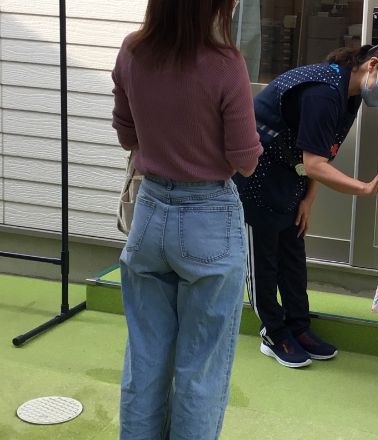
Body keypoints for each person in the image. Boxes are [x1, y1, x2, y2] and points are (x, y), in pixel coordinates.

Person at [111, 0, 263, 438]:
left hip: (151, 209)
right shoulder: (224, 64)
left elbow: (127, 134)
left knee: (145, 359)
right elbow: (245, 160)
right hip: (209, 217)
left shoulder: (131, 52)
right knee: (201, 366)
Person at [233, 41, 378, 368]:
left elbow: (323, 152)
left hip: (291, 173)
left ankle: (298, 325)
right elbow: (316, 162)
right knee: (263, 258)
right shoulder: (323, 91)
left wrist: (308, 198)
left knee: (292, 255)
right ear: (372, 65)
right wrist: (365, 188)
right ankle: (273, 332)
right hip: (257, 173)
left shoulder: (349, 95)